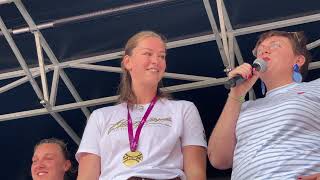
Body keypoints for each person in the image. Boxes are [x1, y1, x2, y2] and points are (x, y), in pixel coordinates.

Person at [76, 31, 207, 180]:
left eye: (162, 56)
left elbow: (196, 173)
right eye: (148, 54)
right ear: (128, 62)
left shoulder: (184, 109)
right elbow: (87, 176)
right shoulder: (100, 116)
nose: (156, 61)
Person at [208, 30, 320, 180]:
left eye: (275, 46)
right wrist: (236, 95)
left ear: (298, 60)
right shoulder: (244, 106)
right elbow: (219, 159)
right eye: (259, 49)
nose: (264, 50)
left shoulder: (315, 87)